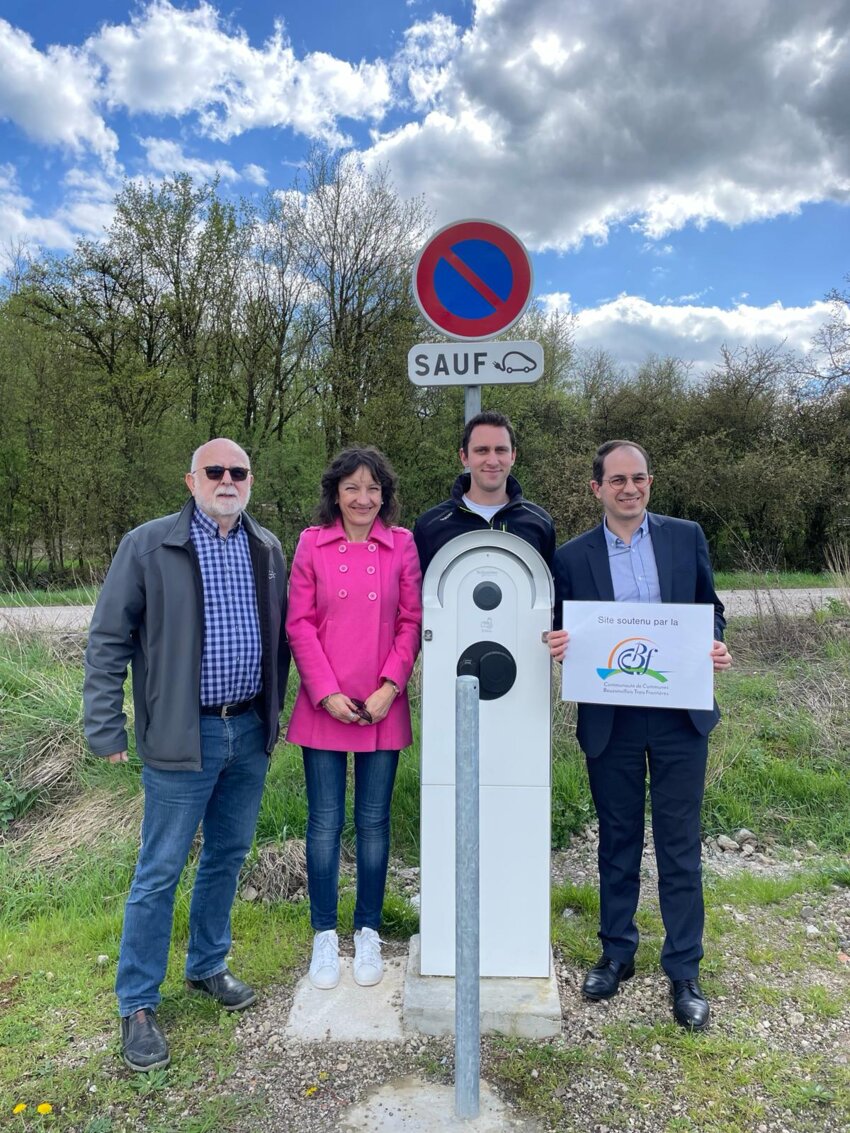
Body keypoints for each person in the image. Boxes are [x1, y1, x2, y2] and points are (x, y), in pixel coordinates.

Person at [84, 438, 290, 1072]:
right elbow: (108, 639)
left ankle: (206, 965)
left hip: (248, 731)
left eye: (239, 471)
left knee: (226, 855)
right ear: (191, 478)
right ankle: (138, 1003)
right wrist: (105, 727)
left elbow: (286, 634)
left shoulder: (268, 548)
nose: (228, 480)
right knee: (160, 869)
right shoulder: (148, 546)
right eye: (215, 471)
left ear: (251, 480)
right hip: (182, 735)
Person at [548, 439, 731, 1030]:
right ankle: (616, 954)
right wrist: (560, 646)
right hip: (612, 718)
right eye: (618, 480)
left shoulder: (685, 536)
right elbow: (561, 628)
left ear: (650, 483)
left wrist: (716, 643)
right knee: (618, 840)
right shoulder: (572, 557)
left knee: (680, 844)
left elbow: (712, 607)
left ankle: (684, 969)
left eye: (640, 478)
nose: (631, 489)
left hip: (680, 714)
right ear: (596, 488)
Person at [285, 446, 422, 991]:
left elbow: (411, 621)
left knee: (373, 823)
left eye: (373, 488)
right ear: (335, 494)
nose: (363, 498)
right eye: (352, 488)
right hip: (325, 705)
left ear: (384, 494)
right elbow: (298, 624)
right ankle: (324, 934)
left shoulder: (403, 545)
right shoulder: (311, 544)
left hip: (382, 704)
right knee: (324, 824)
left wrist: (392, 686)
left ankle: (367, 928)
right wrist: (325, 692)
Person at [413, 409, 556, 574]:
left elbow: (547, 594)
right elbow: (420, 596)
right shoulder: (431, 525)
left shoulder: (540, 523)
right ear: (464, 456)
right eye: (482, 450)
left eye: (501, 450)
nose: (492, 461)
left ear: (513, 456)